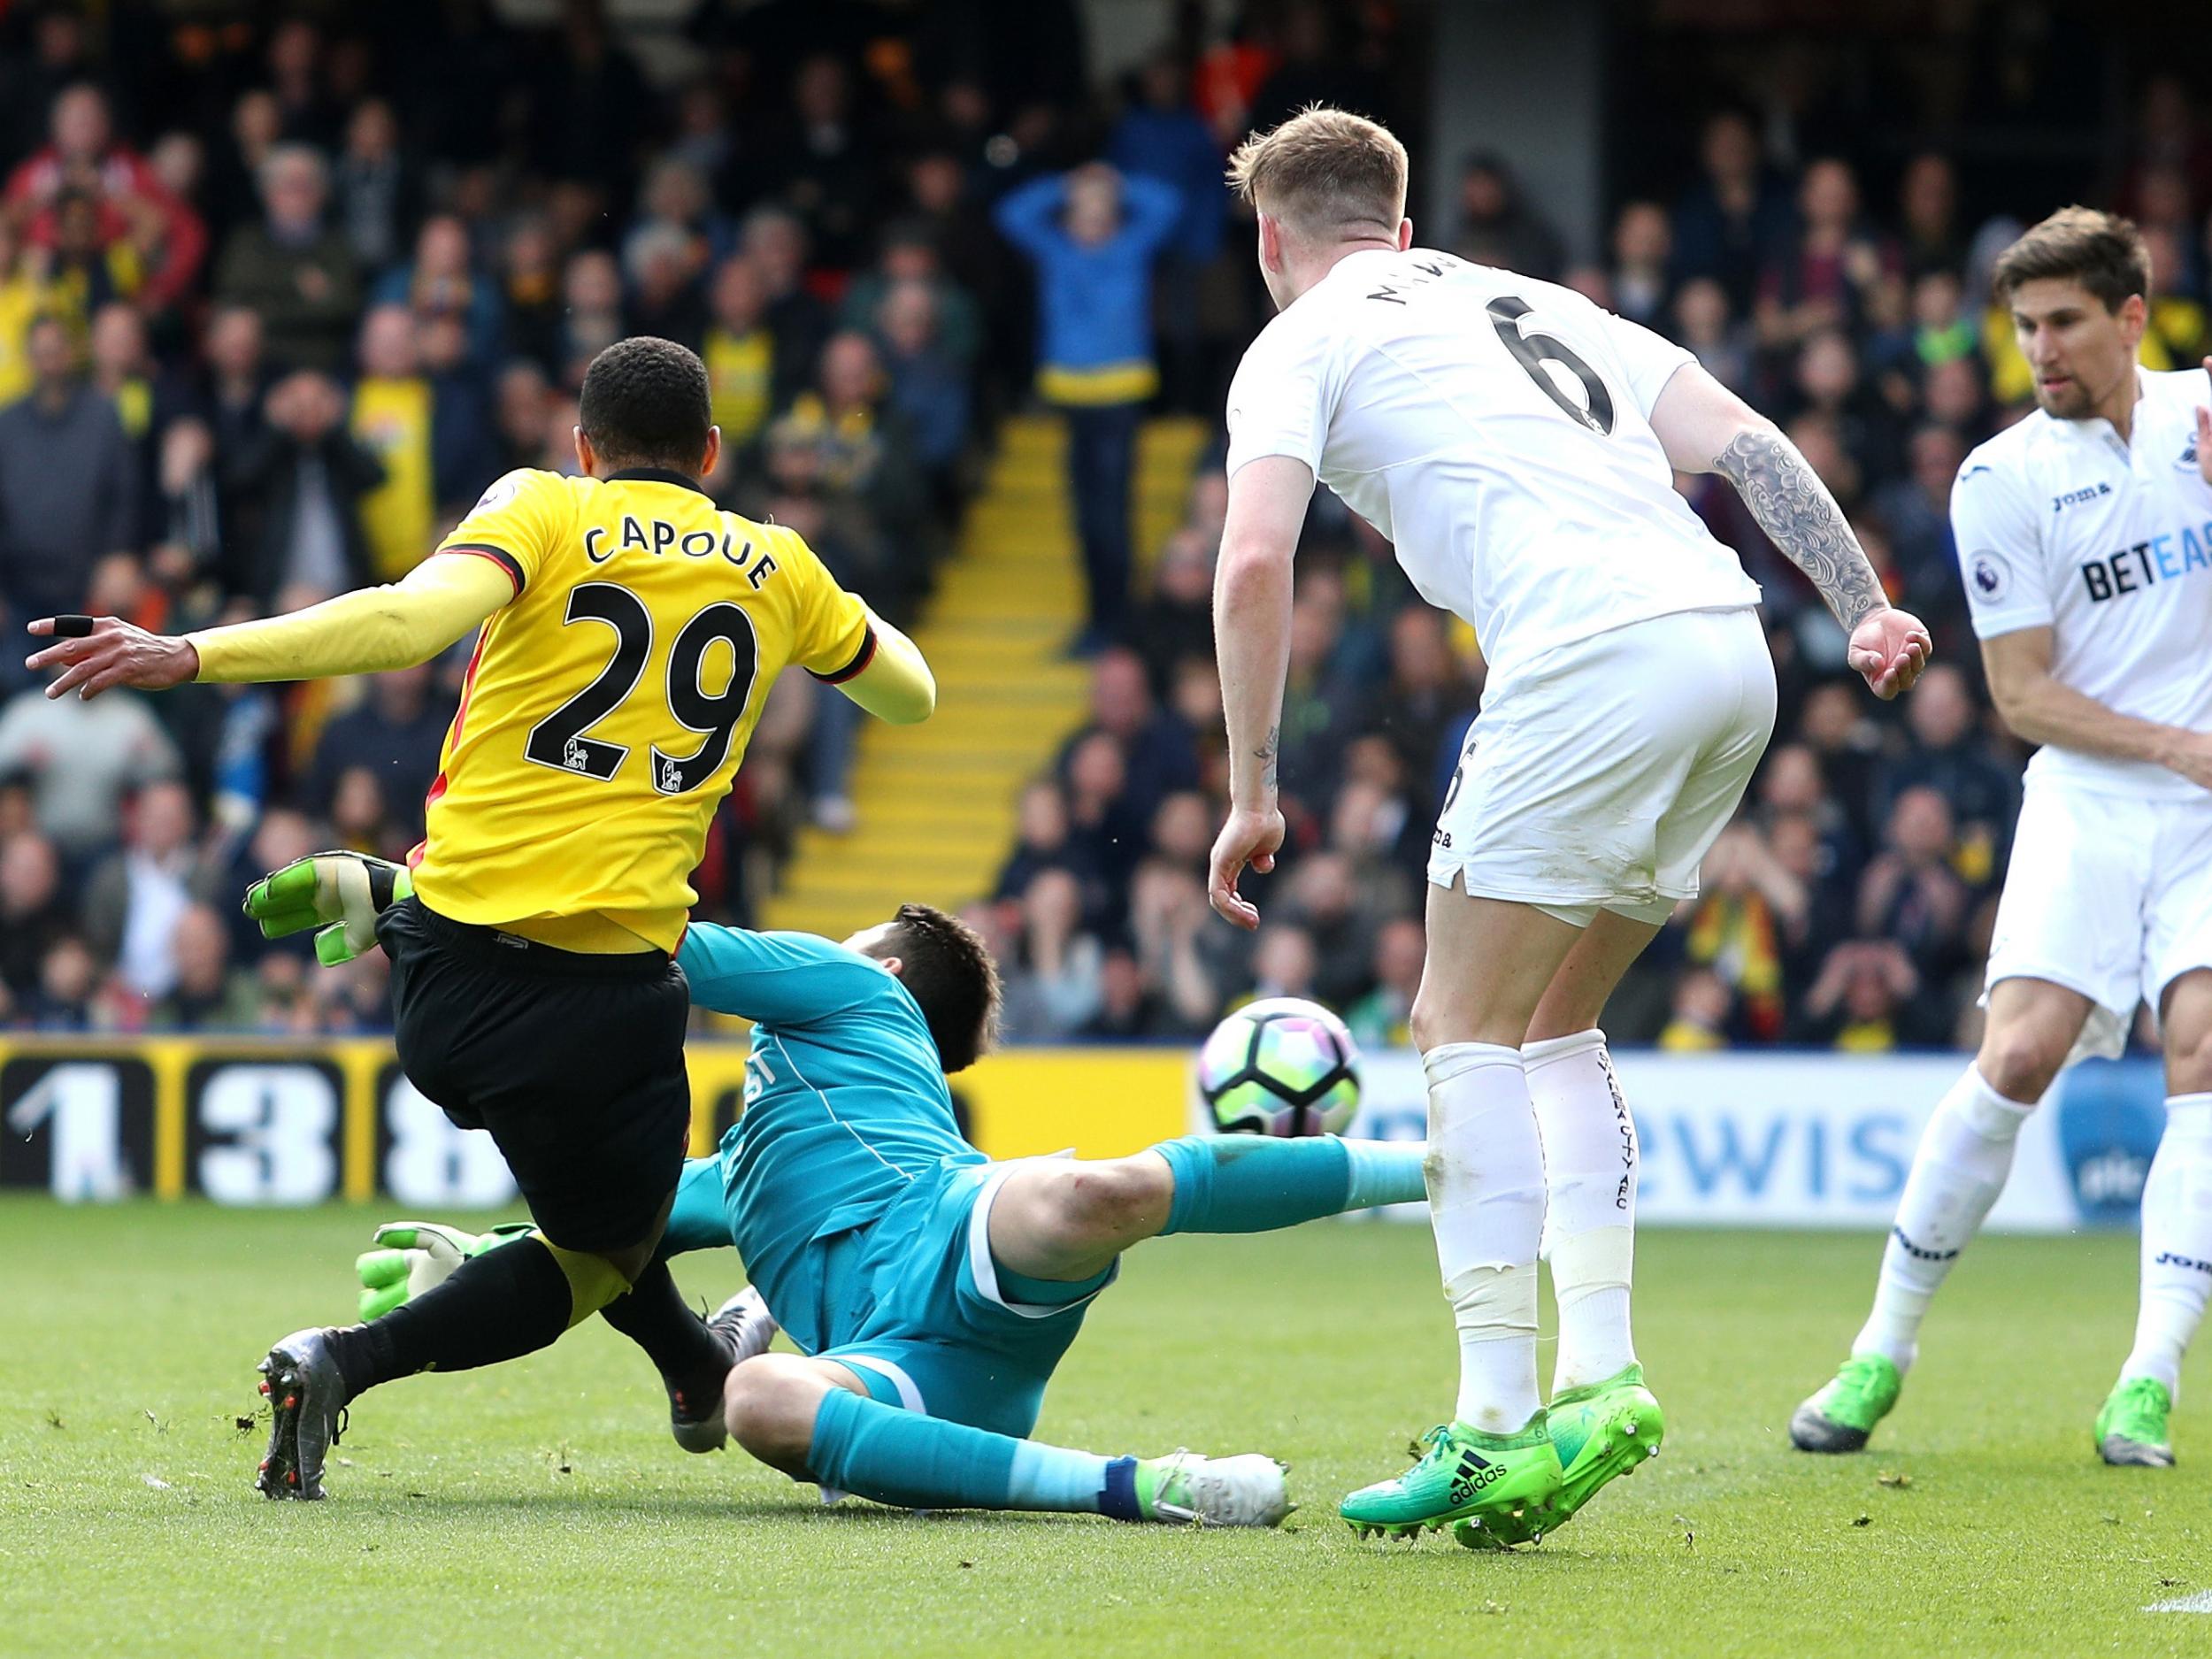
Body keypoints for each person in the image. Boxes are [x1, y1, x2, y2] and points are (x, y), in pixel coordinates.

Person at [23, 335, 938, 1501]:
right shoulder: (775, 563)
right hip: (605, 999)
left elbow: (406, 623)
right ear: (712, 452)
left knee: (589, 1204)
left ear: (582, 445)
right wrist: (828, 605)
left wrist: (191, 649)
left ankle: (699, 1370)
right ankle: (344, 1358)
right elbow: (910, 695)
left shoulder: (542, 507)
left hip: (442, 978)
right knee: (602, 1253)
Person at [1203, 108, 1931, 1547]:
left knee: (1456, 1025)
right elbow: (1749, 446)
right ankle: (1601, 1377)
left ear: (1275, 241)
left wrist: (1250, 789)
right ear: (1403, 227)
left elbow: (1249, 563)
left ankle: (1486, 1426)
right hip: (1732, 652)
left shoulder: (1296, 339)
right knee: (1554, 1028)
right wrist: (1866, 605)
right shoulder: (1538, 300)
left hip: (1591, 660)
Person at [342, 905, 1426, 1525]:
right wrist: (474, 1255)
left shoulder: (854, 990)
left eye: (850, 935)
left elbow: (629, 931)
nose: (822, 938)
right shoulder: (732, 1173)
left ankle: (1430, 1165)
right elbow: (596, 1249)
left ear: (891, 969)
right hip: (927, 1381)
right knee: (758, 1398)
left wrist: (413, 897)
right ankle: (1142, 1487)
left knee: (1096, 1190)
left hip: (957, 1232)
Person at [1792, 209, 2212, 1469]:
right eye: (2023, 326)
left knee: (2202, 1041)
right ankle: (1882, 1345)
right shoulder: (2001, 476)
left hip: (2207, 819)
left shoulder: (2204, 420)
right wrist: (2185, 747)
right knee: (2020, 1052)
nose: (2040, 348)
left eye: (2065, 322)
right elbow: (2021, 695)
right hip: (2092, 793)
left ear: (2133, 318)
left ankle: (2150, 1373)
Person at [994, 164, 1182, 653]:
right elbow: (1010, 214)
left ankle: (1115, 624)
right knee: (1086, 514)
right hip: (1072, 394)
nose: (1092, 222)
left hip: (1121, 391)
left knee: (1110, 514)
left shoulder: (1130, 244)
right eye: (1082, 213)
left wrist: (1116, 185)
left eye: (1101, 214)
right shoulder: (1057, 247)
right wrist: (1067, 184)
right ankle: (1101, 619)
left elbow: (1168, 204)